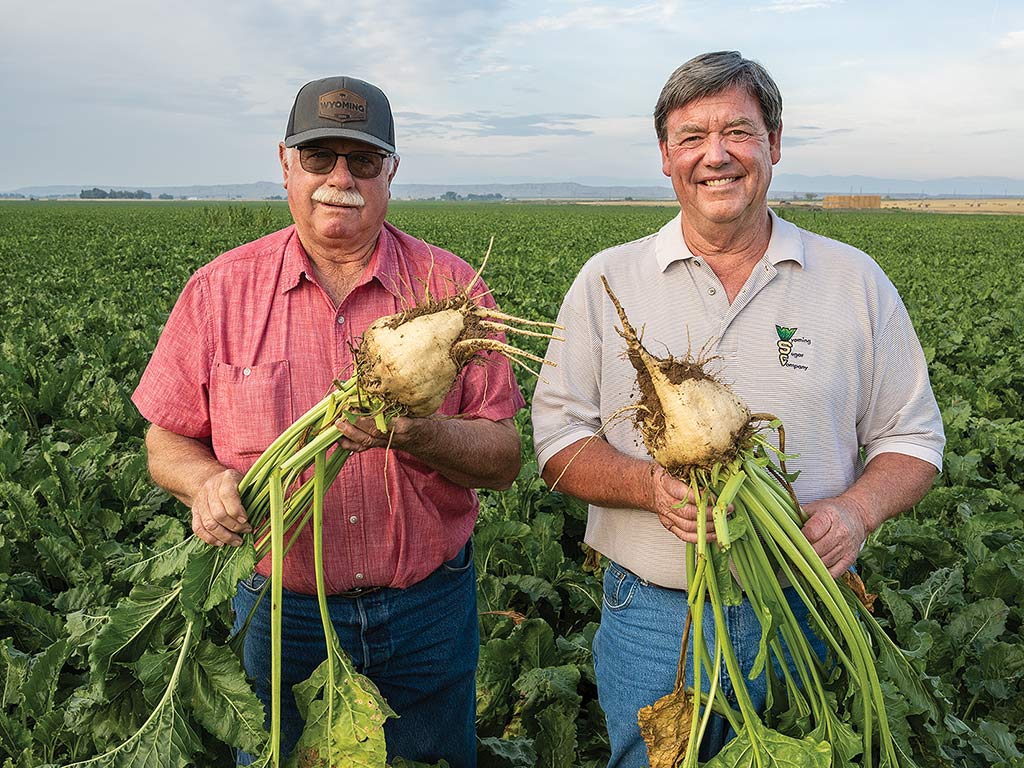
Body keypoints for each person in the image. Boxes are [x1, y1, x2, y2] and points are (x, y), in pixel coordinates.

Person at [531, 51, 944, 766]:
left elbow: (914, 439)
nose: (716, 156)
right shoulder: (606, 279)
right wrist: (644, 486)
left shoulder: (854, 281)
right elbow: (556, 438)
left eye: (739, 132)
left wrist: (855, 512)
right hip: (658, 620)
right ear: (665, 156)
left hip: (806, 608)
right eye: (692, 137)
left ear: (774, 145)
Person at [132, 76, 525, 767]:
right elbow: (166, 437)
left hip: (426, 614)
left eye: (363, 160)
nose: (340, 177)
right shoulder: (218, 291)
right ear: (285, 163)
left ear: (390, 173)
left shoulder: (453, 292)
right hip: (279, 617)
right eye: (320, 157)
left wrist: (418, 433)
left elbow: (502, 457)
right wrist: (204, 483)